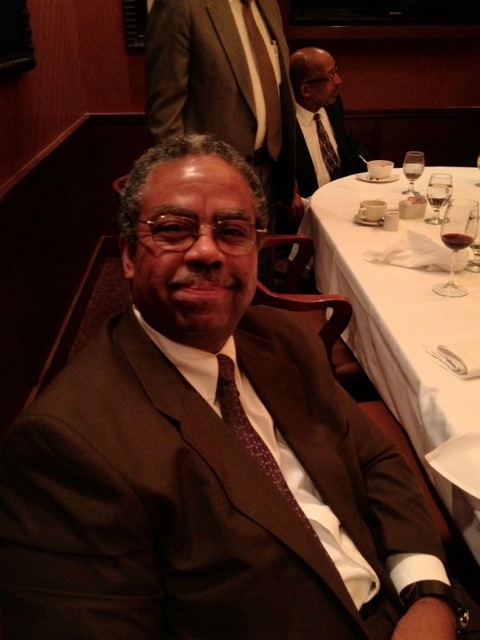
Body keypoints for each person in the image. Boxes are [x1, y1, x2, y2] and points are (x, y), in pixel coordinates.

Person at [0, 134, 478, 640]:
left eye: (232, 231)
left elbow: (376, 461)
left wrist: (428, 593)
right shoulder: (64, 447)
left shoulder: (282, 339)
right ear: (128, 256)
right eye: (174, 229)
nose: (207, 250)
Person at [145, 0, 303, 284]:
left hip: (267, 169)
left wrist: (286, 171)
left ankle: (259, 310)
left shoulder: (267, 5)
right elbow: (165, 114)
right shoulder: (180, 6)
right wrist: (185, 187)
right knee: (215, 279)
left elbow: (277, 90)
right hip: (210, 182)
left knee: (259, 268)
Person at [290, 47, 373, 199]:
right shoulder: (284, 125)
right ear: (306, 90)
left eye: (335, 71)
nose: (338, 80)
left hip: (347, 196)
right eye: (330, 77)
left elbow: (345, 138)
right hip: (310, 205)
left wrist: (374, 166)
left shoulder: (332, 103)